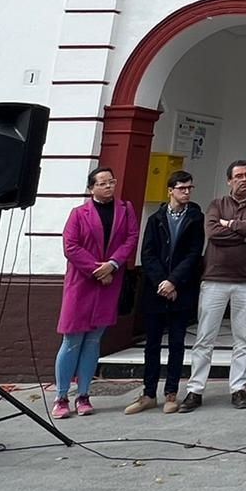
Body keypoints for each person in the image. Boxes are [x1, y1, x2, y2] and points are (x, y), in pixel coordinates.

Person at [178, 160, 246, 412]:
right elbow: (214, 233)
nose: (244, 179)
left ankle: (238, 388)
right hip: (215, 279)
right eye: (238, 176)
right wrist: (244, 232)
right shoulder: (217, 204)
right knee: (205, 336)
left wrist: (231, 225)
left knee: (243, 338)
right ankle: (195, 389)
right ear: (229, 180)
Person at [53, 166, 139, 419]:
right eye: (102, 183)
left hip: (109, 282)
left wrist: (112, 264)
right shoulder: (79, 214)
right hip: (82, 283)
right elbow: (71, 246)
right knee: (72, 340)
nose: (109, 186)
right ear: (91, 188)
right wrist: (96, 269)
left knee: (93, 341)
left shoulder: (125, 210)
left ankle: (84, 394)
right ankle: (61, 396)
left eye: (111, 181)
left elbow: (131, 238)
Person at [125, 171, 203, 415]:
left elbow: (193, 254)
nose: (186, 192)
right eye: (182, 188)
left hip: (181, 289)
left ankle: (171, 392)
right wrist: (162, 282)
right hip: (155, 290)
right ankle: (149, 393)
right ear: (170, 190)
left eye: (189, 188)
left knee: (177, 343)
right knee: (152, 344)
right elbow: (147, 253)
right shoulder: (156, 218)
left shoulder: (195, 218)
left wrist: (174, 281)